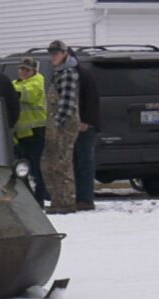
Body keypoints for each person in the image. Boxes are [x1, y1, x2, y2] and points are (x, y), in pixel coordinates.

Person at [41, 40, 81, 214]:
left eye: (56, 53)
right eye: (51, 53)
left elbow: (67, 104)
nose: (53, 56)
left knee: (62, 164)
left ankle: (66, 202)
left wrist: (56, 125)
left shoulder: (68, 74)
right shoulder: (58, 74)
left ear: (65, 53)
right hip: (54, 126)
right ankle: (57, 199)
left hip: (64, 126)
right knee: (48, 163)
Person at [12, 57, 48, 206]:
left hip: (35, 132)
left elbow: (28, 93)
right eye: (22, 69)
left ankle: (39, 198)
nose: (24, 72)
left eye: (27, 70)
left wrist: (9, 90)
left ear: (34, 71)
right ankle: (29, 197)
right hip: (20, 134)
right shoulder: (15, 84)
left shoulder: (37, 82)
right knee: (23, 168)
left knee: (36, 167)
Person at [70, 49, 100, 211]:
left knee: (85, 162)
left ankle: (85, 198)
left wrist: (86, 122)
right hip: (71, 127)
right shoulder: (65, 78)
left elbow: (92, 101)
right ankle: (76, 196)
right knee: (74, 162)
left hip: (85, 127)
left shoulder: (85, 77)